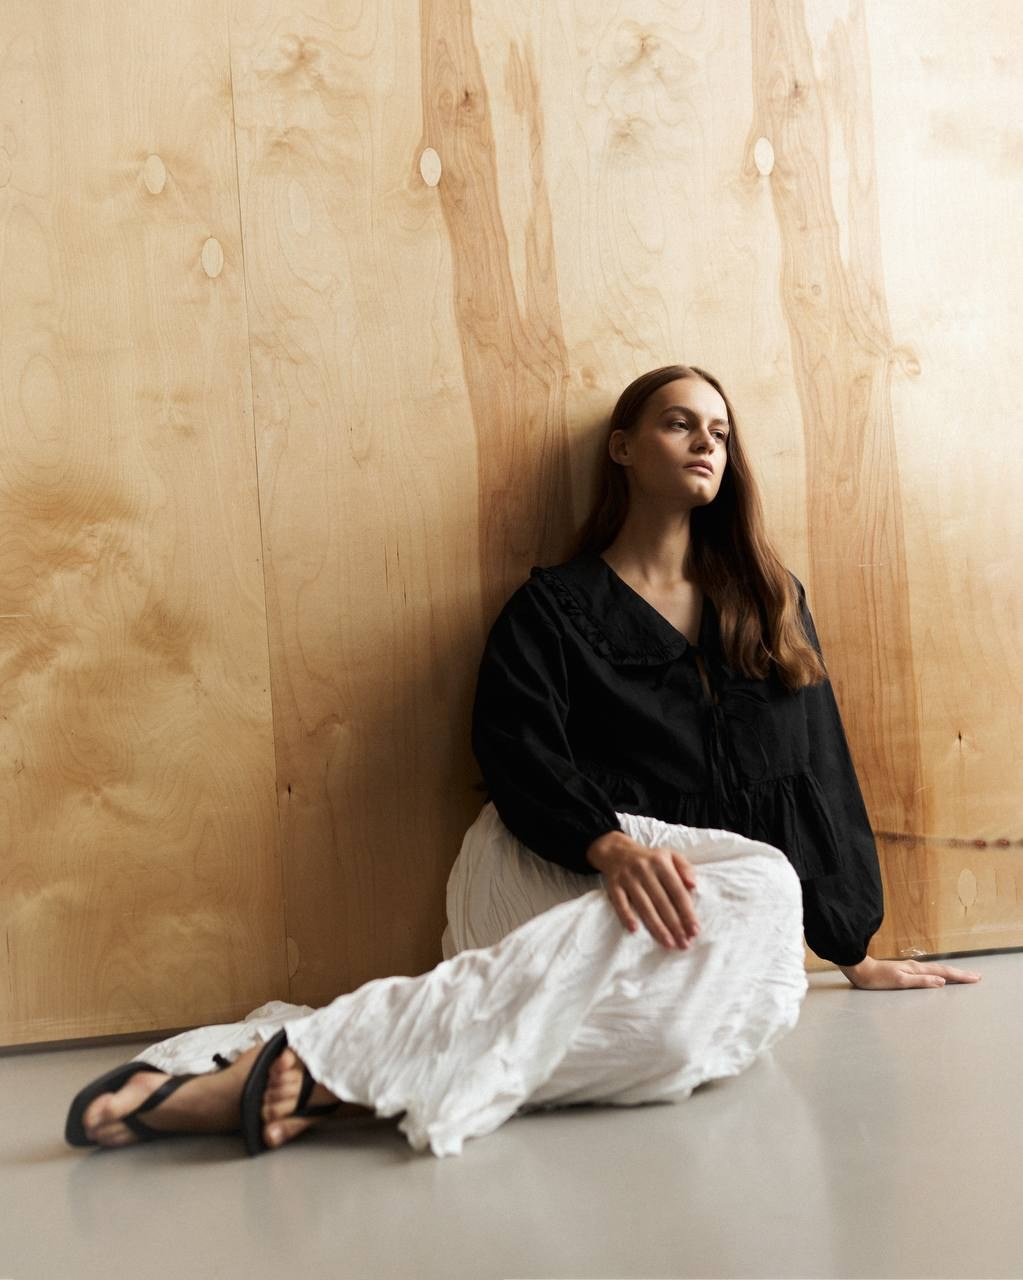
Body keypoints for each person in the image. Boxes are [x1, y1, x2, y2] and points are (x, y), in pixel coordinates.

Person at [65, 365, 980, 1160]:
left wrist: (851, 948)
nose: (707, 441)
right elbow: (514, 754)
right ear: (621, 448)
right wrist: (608, 846)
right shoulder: (551, 608)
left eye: (720, 430)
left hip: (695, 908)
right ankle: (329, 1071)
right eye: (679, 423)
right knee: (755, 914)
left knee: (726, 1008)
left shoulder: (768, 601)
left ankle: (313, 1075)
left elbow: (818, 772)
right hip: (561, 866)